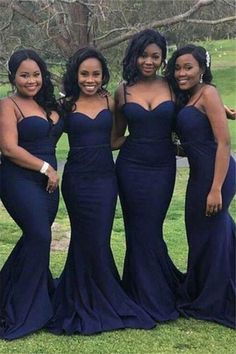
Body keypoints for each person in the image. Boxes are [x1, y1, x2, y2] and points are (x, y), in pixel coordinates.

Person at [46, 46, 156, 335]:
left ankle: (104, 295)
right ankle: (80, 297)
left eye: (96, 74)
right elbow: (41, 132)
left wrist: (147, 141)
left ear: (103, 75)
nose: (90, 79)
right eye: (84, 74)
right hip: (78, 180)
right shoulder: (65, 105)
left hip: (106, 180)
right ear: (76, 75)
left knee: (100, 238)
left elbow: (116, 138)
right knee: (84, 239)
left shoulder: (110, 100)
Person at [112, 29, 184, 322]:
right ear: (134, 55)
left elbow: (196, 114)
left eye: (156, 56)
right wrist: (138, 141)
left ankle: (156, 289)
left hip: (162, 168)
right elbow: (114, 139)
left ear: (163, 58)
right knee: (137, 232)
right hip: (131, 168)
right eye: (144, 55)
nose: (149, 61)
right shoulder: (123, 90)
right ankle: (141, 294)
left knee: (151, 229)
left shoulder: (172, 86)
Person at [165, 44, 235, 329]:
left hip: (217, 175)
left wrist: (216, 187)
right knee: (202, 233)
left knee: (212, 234)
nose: (182, 73)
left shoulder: (208, 94)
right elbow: (190, 143)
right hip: (198, 175)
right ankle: (203, 287)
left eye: (188, 67)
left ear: (202, 69)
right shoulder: (189, 97)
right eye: (178, 68)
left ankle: (214, 298)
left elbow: (223, 143)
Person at [0, 49, 63, 340]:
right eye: (24, 75)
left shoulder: (49, 103)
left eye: (36, 74)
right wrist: (45, 167)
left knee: (35, 238)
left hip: (48, 185)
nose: (31, 80)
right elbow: (9, 148)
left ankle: (8, 291)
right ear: (13, 77)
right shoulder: (8, 105)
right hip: (19, 180)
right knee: (39, 235)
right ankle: (26, 308)